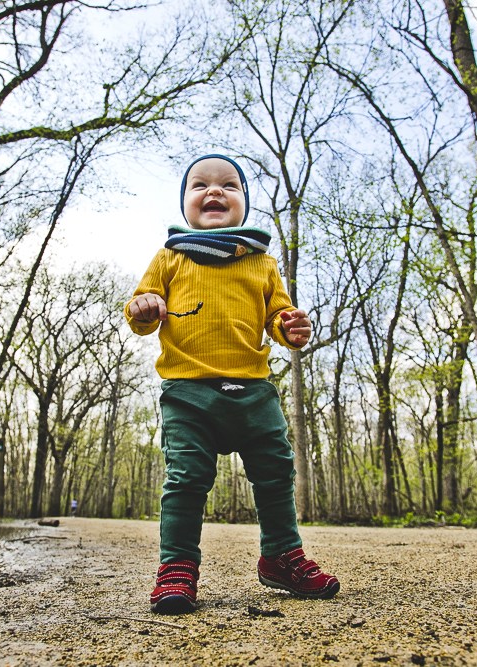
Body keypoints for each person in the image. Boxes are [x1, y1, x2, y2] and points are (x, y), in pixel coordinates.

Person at [125, 154, 340, 615]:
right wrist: (141, 308)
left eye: (229, 185)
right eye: (200, 185)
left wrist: (291, 327)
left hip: (254, 391)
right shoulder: (170, 256)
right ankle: (177, 567)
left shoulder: (261, 262)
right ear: (185, 203)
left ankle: (281, 555)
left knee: (276, 471)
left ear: (244, 201)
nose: (215, 191)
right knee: (185, 479)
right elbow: (142, 310)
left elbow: (278, 317)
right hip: (188, 392)